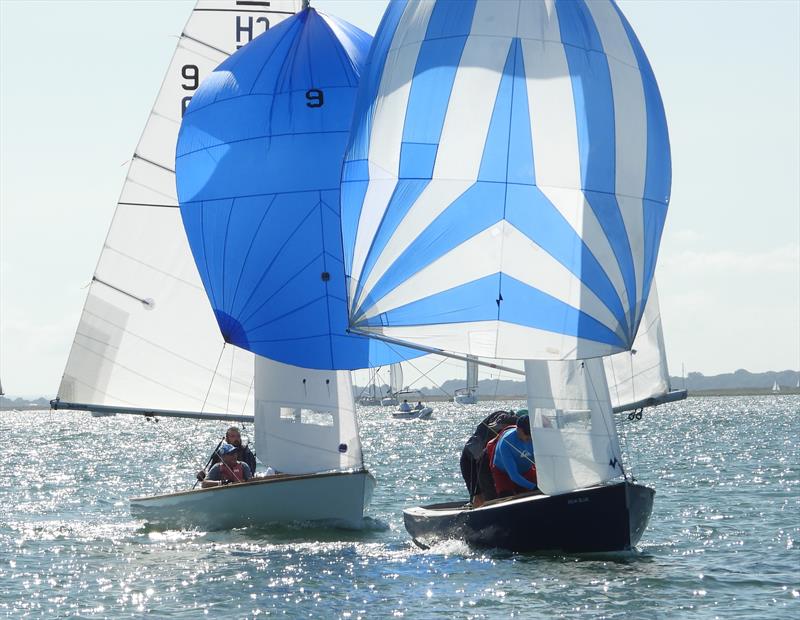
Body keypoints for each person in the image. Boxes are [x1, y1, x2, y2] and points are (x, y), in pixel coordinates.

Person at [460, 410, 518, 506]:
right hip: (470, 460)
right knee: (481, 497)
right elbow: (501, 419)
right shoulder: (503, 417)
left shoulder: (514, 438)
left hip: (484, 461)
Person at [490, 414, 537, 498]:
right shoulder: (506, 442)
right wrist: (534, 487)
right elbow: (514, 475)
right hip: (503, 473)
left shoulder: (534, 437)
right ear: (518, 430)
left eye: (531, 435)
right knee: (507, 496)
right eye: (526, 435)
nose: (529, 438)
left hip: (526, 470)